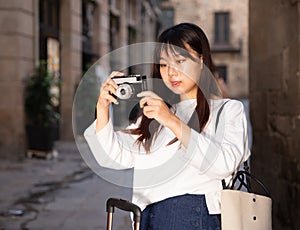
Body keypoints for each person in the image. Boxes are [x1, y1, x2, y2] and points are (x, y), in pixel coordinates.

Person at [84, 22, 250, 229]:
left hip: (189, 215)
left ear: (201, 60)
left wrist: (171, 121)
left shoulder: (227, 110)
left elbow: (224, 164)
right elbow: (112, 157)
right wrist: (102, 108)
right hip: (145, 216)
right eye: (164, 64)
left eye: (180, 61)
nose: (171, 73)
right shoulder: (155, 113)